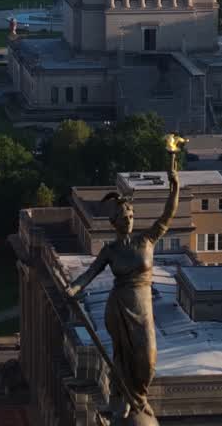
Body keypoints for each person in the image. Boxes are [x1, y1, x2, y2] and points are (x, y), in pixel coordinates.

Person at [65, 137, 183, 421]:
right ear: (114, 223)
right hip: (118, 307)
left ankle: (138, 399)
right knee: (122, 356)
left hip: (143, 308)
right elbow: (89, 275)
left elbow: (169, 213)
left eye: (130, 213)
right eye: (122, 215)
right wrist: (73, 288)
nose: (128, 217)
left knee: (147, 359)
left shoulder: (148, 239)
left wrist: (175, 184)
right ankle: (126, 401)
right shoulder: (111, 250)